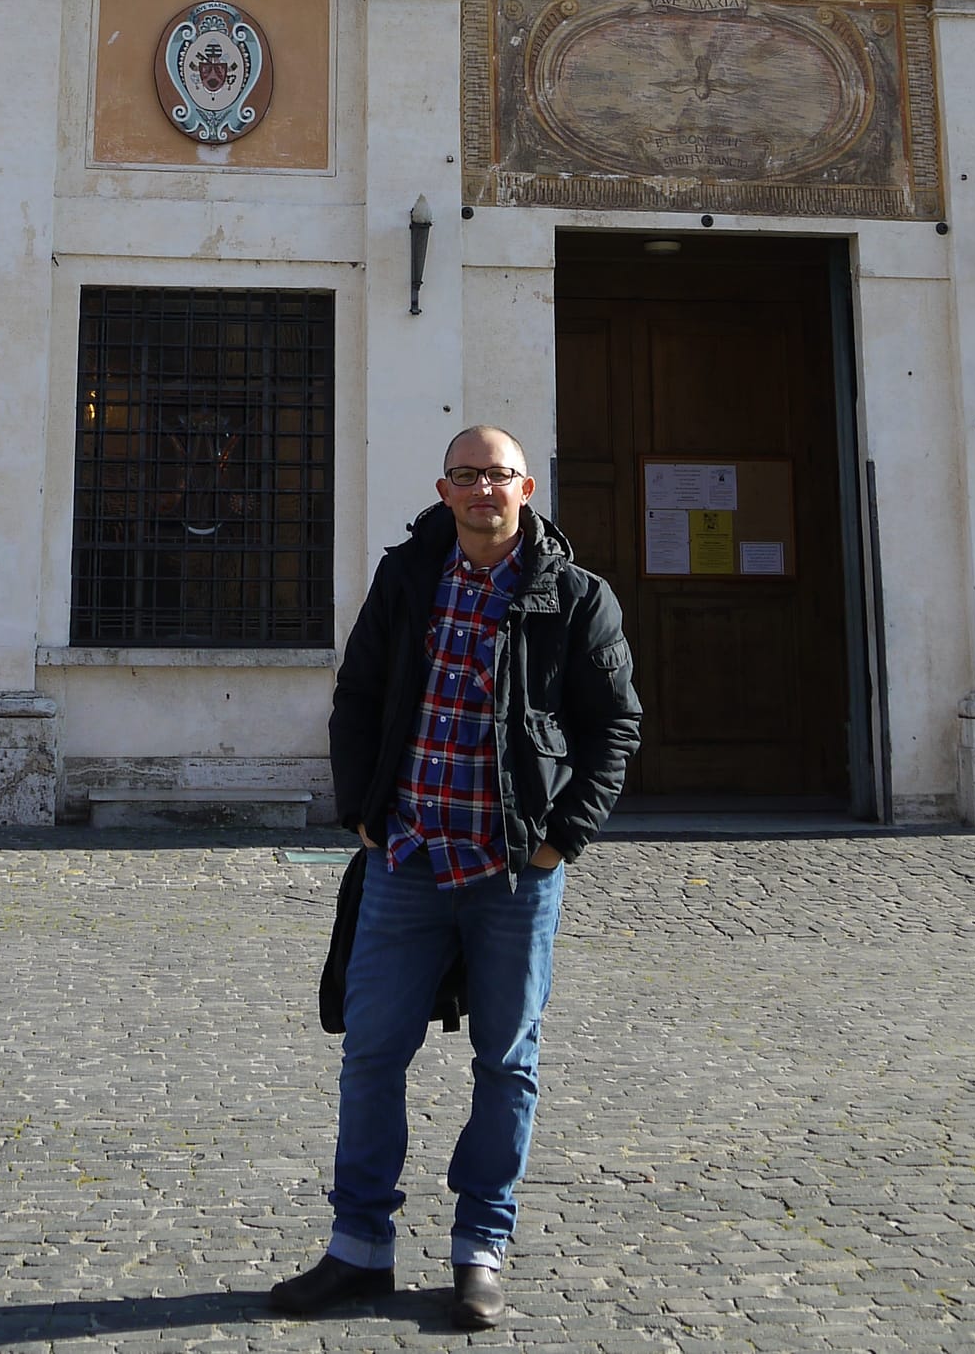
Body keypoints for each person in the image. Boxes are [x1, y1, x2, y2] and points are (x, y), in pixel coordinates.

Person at [269, 424, 641, 1328]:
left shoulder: (577, 597)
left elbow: (614, 728)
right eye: (467, 475)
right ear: (444, 489)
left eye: (499, 475)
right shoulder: (407, 579)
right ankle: (358, 1248)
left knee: (506, 1061)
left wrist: (560, 841)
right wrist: (362, 808)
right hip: (406, 859)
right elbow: (357, 695)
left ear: (527, 487)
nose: (484, 490)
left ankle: (481, 1247)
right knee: (371, 1051)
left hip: (514, 873)